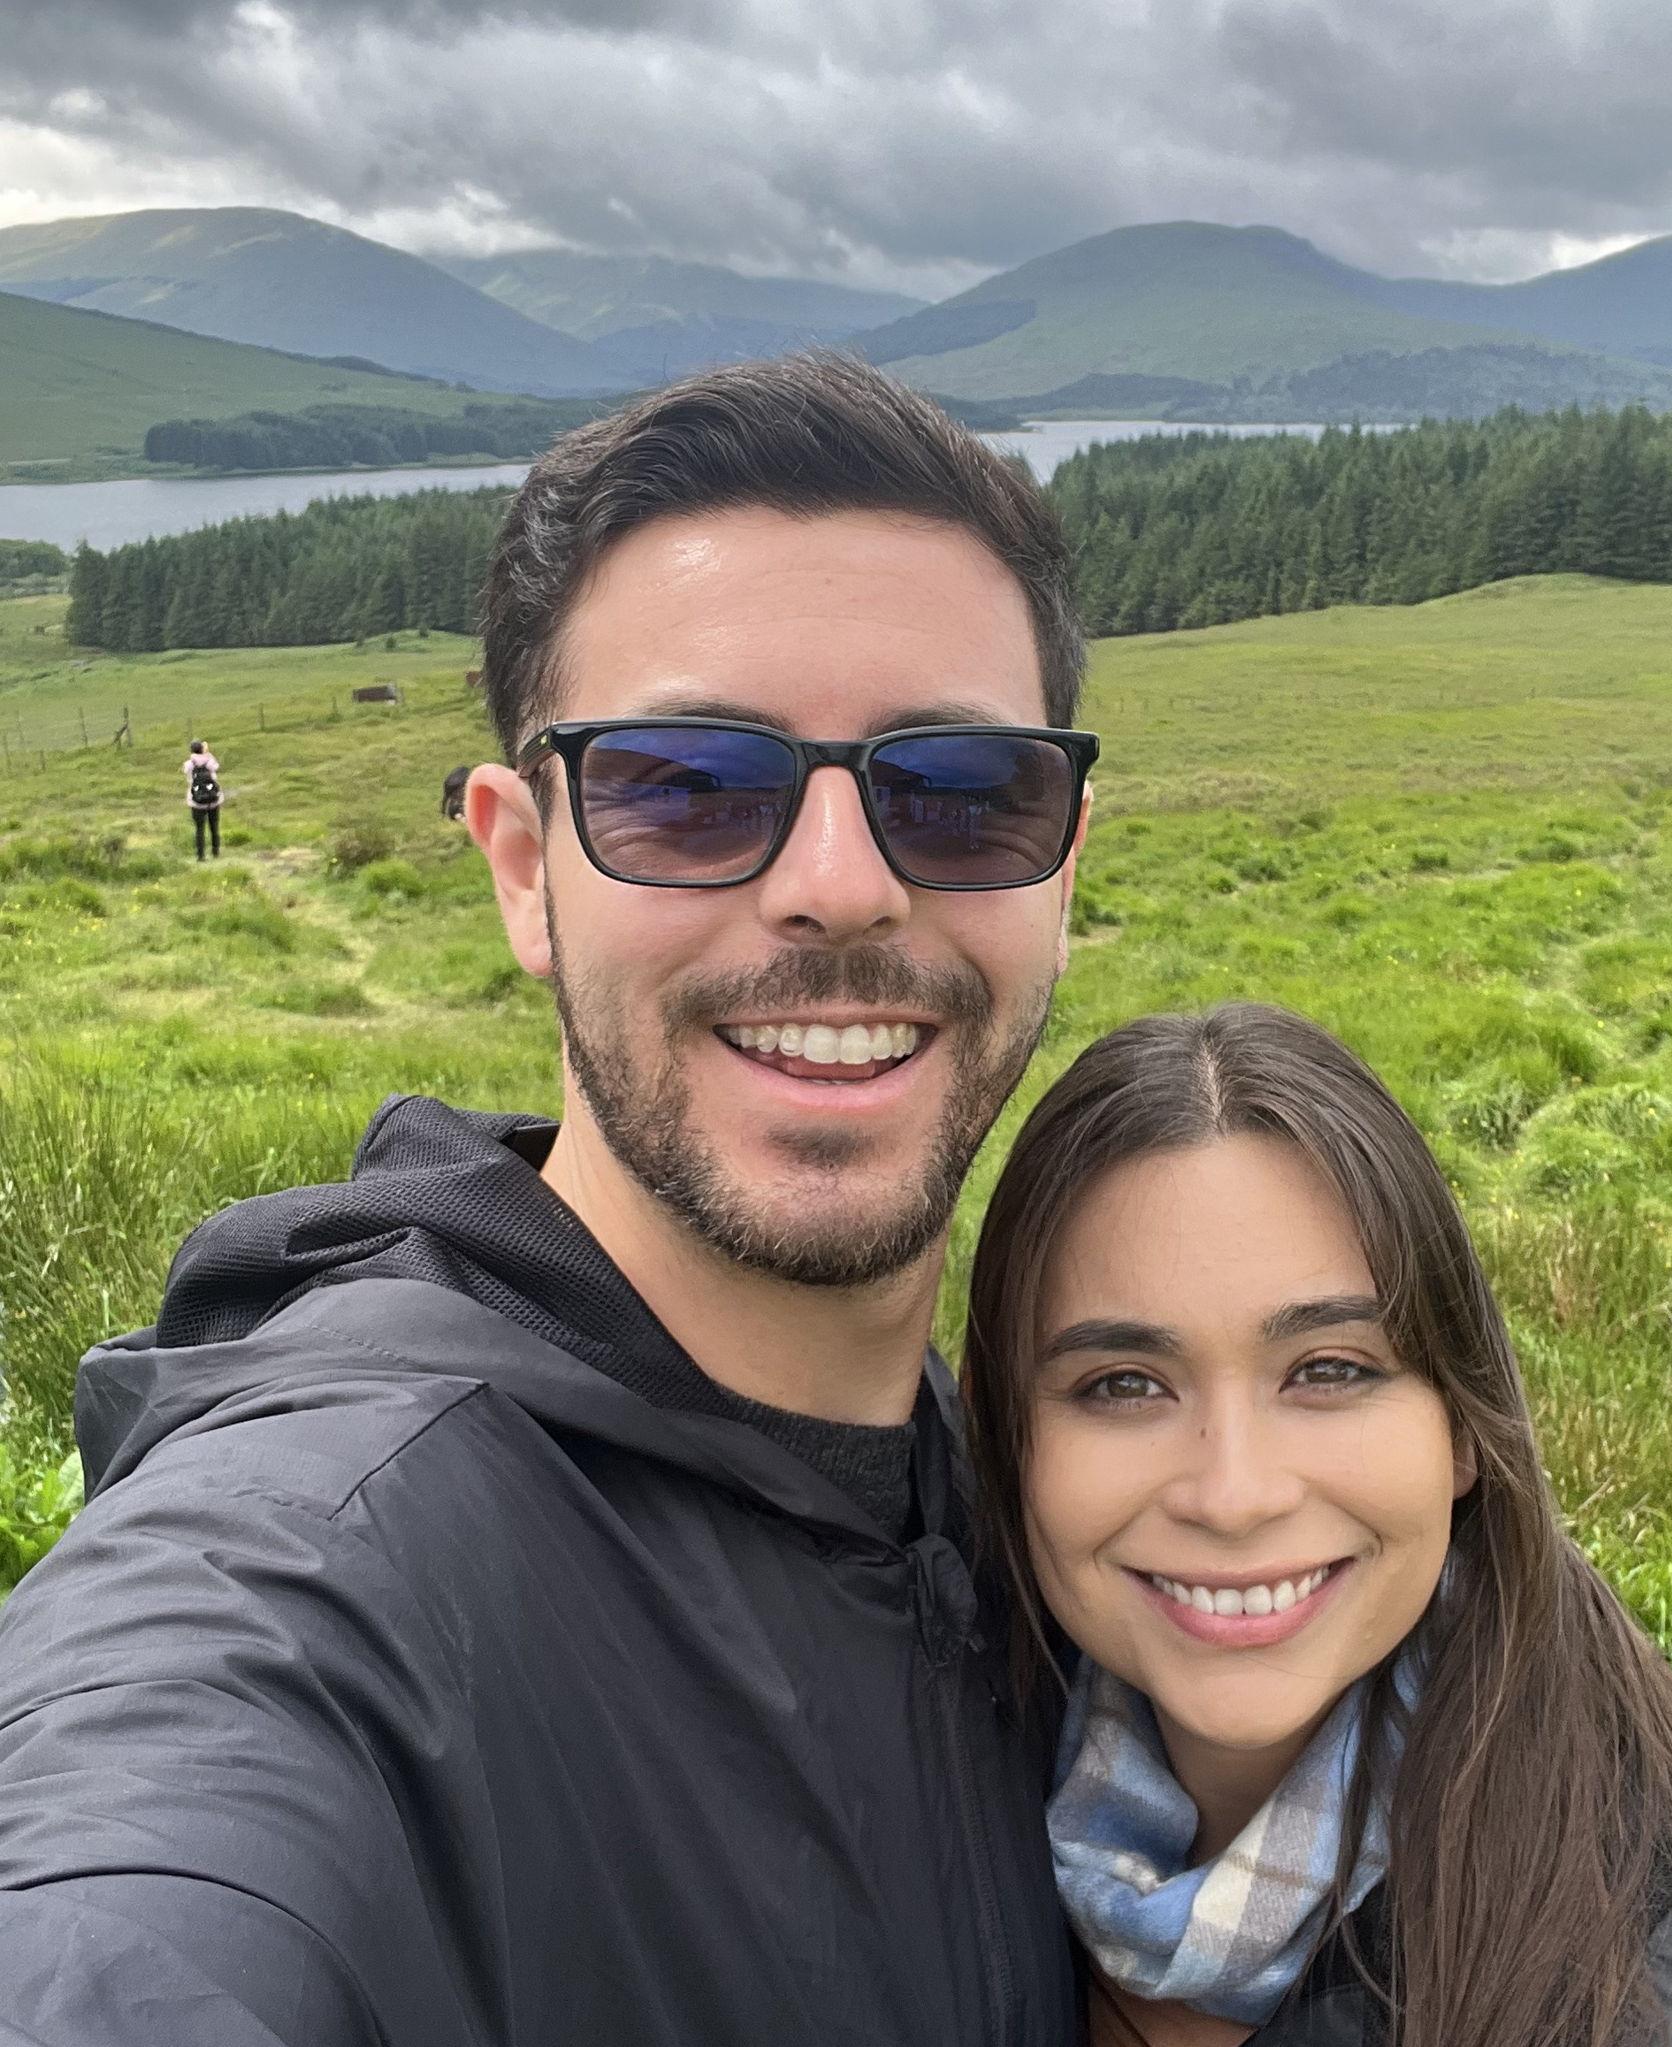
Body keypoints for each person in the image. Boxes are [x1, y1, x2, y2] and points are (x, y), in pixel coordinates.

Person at [0, 356, 1095, 2045]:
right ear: (523, 866)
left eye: (957, 790)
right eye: (688, 786)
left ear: (1065, 859)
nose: (840, 887)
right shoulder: (321, 1564)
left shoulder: (1058, 1507)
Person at [962, 1004, 1672, 2047]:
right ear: (1009, 1440)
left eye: (1328, 1370)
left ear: (1461, 1426)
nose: (1232, 1494)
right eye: (1123, 1383)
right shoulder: (922, 1805)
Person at [185, 736, 222, 857]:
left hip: (196, 801)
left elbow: (186, 773)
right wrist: (208, 754)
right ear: (202, 749)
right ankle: (215, 851)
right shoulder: (210, 761)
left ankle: (200, 855)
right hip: (212, 800)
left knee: (199, 829)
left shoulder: (189, 764)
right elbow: (216, 767)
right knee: (214, 826)